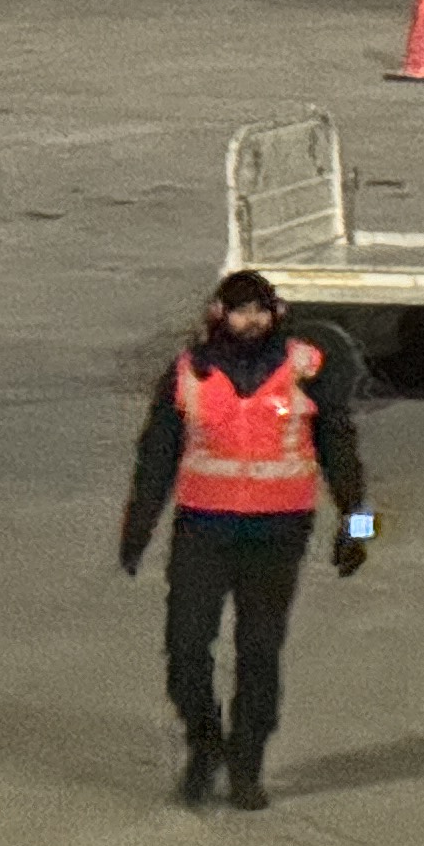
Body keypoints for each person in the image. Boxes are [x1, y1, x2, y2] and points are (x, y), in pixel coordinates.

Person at [117, 269, 372, 809]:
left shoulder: (306, 368)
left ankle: (246, 766)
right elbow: (157, 455)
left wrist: (358, 528)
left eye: (259, 309)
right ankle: (206, 745)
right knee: (185, 648)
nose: (250, 320)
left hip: (278, 531)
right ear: (219, 314)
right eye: (240, 310)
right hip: (204, 528)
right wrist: (135, 529)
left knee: (259, 651)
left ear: (274, 313)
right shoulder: (188, 372)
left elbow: (343, 454)